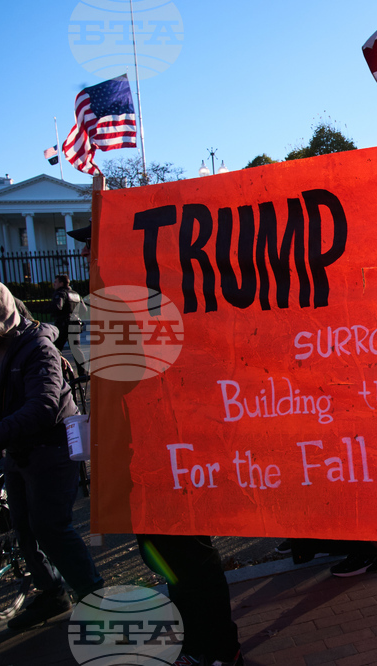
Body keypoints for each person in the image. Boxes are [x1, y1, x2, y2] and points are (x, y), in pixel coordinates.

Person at [68, 224, 243, 666]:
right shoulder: (108, 302)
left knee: (189, 555)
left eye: (93, 244)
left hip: (174, 449)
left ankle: (218, 647)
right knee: (165, 554)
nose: (87, 252)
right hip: (143, 453)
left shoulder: (150, 300)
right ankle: (199, 644)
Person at [0, 277, 104, 631]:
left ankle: (93, 596)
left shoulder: (37, 348)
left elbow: (45, 404)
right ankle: (52, 591)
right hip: (18, 449)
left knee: (51, 526)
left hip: (52, 448)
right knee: (23, 527)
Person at [50, 273, 82, 351]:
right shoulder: (76, 294)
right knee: (76, 349)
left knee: (56, 348)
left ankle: (56, 363)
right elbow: (84, 309)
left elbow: (57, 306)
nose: (54, 284)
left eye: (56, 282)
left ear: (61, 283)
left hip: (63, 324)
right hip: (75, 323)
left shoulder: (61, 293)